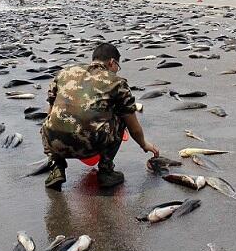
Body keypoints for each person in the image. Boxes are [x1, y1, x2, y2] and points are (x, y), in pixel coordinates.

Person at [41, 43, 160, 190]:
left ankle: (56, 168)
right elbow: (133, 126)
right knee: (122, 115)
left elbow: (50, 111)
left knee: (52, 120)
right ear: (111, 62)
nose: (117, 70)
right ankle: (106, 171)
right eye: (117, 66)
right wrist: (144, 144)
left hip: (55, 143)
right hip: (90, 144)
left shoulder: (64, 73)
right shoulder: (117, 83)